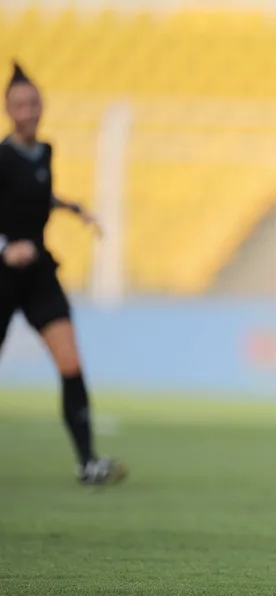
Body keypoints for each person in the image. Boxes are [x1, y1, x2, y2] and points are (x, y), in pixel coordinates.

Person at [0, 62, 125, 486]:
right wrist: (5, 247)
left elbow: (35, 194)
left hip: (37, 273)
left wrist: (72, 208)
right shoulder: (2, 157)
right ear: (7, 109)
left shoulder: (44, 152)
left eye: (33, 103)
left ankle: (88, 462)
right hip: (2, 275)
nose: (28, 111)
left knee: (70, 362)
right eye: (20, 104)